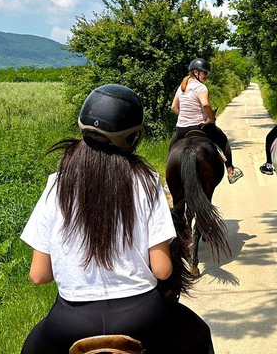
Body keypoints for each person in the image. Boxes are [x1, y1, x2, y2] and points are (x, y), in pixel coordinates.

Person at [20, 84, 213, 354]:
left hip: (69, 321)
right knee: (200, 334)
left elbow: (39, 275)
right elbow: (162, 270)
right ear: (133, 138)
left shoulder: (57, 184)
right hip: (142, 316)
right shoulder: (146, 182)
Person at [170, 58, 244, 184]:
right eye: (204, 73)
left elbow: (174, 107)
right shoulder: (201, 87)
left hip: (181, 128)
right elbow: (205, 104)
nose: (207, 76)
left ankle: (170, 178)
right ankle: (231, 171)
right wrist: (210, 118)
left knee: (172, 149)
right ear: (195, 72)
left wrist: (184, 116)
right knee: (222, 139)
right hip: (200, 127)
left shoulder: (182, 87)